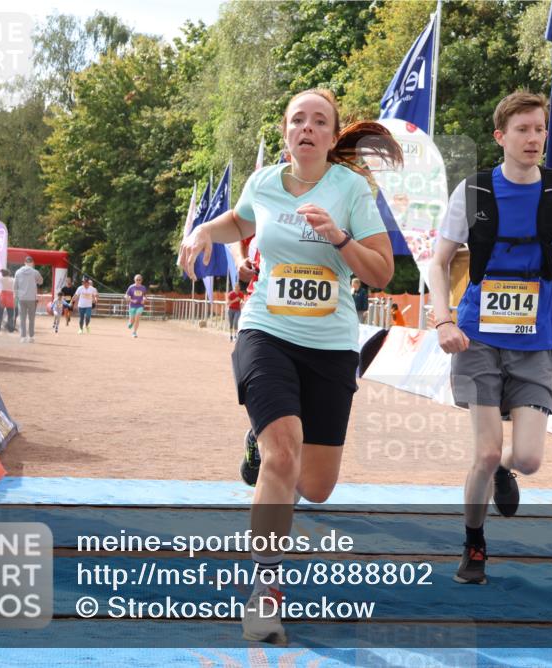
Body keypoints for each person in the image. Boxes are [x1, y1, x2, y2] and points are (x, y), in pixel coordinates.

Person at [178, 88, 401, 645]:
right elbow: (240, 219)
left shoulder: (351, 189)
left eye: (318, 121)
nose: (307, 128)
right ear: (286, 133)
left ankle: (263, 446)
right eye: (297, 120)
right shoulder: (264, 183)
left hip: (330, 346)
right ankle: (266, 589)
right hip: (266, 332)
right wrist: (206, 230)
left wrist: (339, 237)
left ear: (331, 136)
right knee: (284, 451)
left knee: (317, 485)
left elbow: (380, 272)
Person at [429, 91, 552, 585]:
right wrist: (442, 319)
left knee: (530, 459)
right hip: (477, 337)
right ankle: (474, 543)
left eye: (540, 129)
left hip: (536, 336)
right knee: (488, 449)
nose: (534, 138)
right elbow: (439, 260)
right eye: (523, 130)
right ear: (501, 137)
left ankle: (502, 473)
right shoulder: (473, 191)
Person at [14, 256, 44, 343]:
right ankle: (31, 337)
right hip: (32, 298)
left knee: (22, 318)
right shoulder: (35, 272)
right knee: (31, 318)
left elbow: (15, 285)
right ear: (32, 263)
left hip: (21, 298)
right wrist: (36, 281)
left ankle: (23, 337)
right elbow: (41, 281)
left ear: (24, 263)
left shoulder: (18, 272)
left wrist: (16, 296)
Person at [0, 269, 16, 333]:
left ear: (2, 274)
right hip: (10, 296)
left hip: (3, 296)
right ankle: (10, 328)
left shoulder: (2, 279)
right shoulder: (13, 279)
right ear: (9, 273)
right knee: (10, 314)